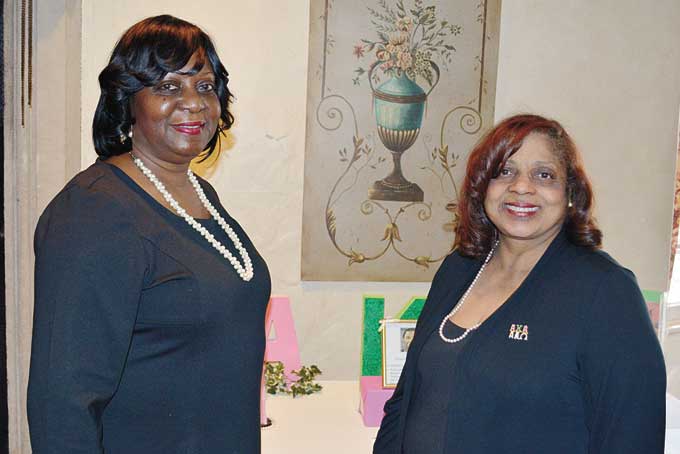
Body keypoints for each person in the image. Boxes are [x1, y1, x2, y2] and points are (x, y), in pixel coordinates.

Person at [27, 15, 271, 454]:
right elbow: (61, 404)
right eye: (168, 87)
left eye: (205, 86)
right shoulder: (93, 213)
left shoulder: (198, 193)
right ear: (128, 101)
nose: (194, 103)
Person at [373, 114, 666, 453]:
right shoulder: (458, 268)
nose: (522, 187)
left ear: (570, 192)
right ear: (483, 187)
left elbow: (632, 437)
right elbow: (406, 400)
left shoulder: (606, 292)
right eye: (504, 171)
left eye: (544, 175)